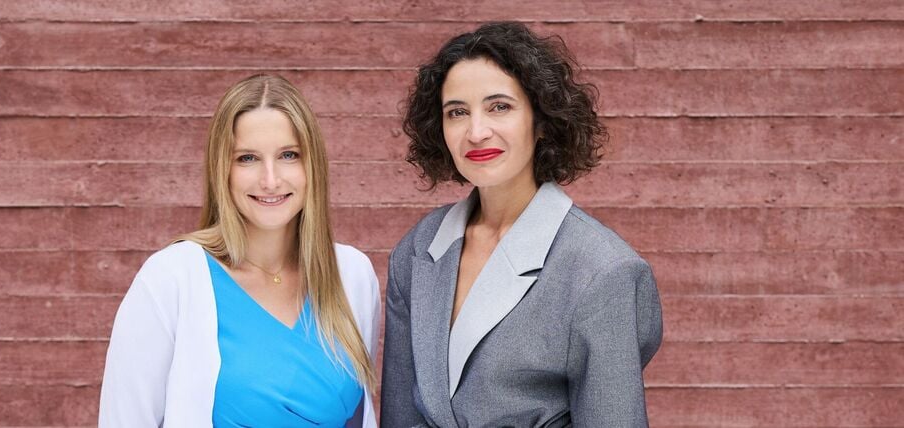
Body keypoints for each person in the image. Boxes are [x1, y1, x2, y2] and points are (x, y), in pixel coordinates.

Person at [381, 22, 663, 427]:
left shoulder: (603, 271)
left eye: (500, 106)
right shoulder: (419, 248)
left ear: (542, 119)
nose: (476, 132)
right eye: (457, 112)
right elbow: (400, 416)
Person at [98, 74, 380, 427]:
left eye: (288, 155)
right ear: (223, 170)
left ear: (313, 166)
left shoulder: (353, 275)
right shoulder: (171, 279)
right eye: (248, 158)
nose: (271, 179)